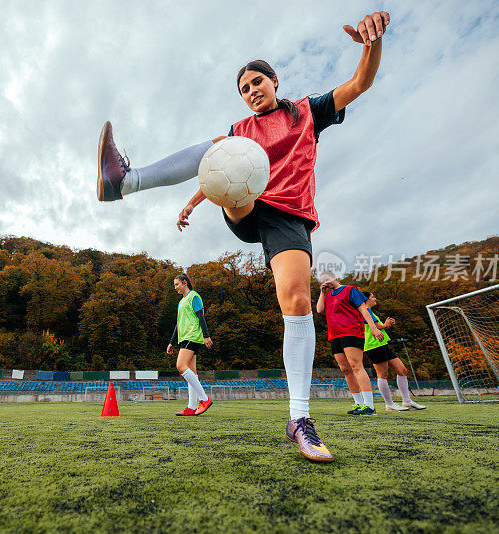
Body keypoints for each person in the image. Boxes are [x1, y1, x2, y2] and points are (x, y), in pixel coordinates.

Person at [98, 12, 391, 461]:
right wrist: (194, 203)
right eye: (244, 88)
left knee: (295, 301)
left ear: (275, 81)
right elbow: (220, 170)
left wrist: (370, 45)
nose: (252, 91)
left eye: (257, 82)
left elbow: (359, 83)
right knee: (221, 145)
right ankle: (127, 181)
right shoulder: (241, 130)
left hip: (289, 218)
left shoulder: (308, 112)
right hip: (247, 204)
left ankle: (299, 418)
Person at [317, 271, 384, 416]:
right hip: (334, 335)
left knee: (356, 366)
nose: (325, 282)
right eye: (322, 281)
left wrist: (373, 328)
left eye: (327, 279)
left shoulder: (350, 290)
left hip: (351, 332)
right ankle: (359, 404)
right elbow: (319, 310)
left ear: (334, 277)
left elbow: (363, 310)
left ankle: (369, 405)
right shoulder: (327, 295)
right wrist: (322, 293)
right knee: (345, 369)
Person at [361, 291, 426, 410]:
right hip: (374, 346)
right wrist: (386, 324)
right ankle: (389, 404)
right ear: (366, 300)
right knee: (383, 374)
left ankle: (406, 401)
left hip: (382, 344)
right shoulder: (366, 311)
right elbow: (377, 327)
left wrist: (386, 324)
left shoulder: (370, 311)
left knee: (402, 370)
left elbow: (379, 326)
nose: (375, 299)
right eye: (373, 297)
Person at [167, 274, 214, 416]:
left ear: (184, 283)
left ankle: (204, 399)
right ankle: (192, 407)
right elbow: (178, 324)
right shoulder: (181, 302)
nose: (175, 287)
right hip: (184, 338)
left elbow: (201, 316)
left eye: (177, 284)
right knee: (192, 373)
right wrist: (171, 342)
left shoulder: (194, 296)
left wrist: (206, 336)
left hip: (192, 336)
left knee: (180, 366)